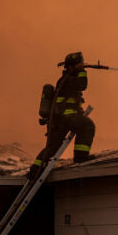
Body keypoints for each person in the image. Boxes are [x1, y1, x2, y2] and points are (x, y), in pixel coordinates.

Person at [28, 51, 96, 180]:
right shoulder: (67, 80)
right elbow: (82, 85)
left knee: (52, 147)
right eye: (78, 64)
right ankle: (81, 156)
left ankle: (35, 169)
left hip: (58, 120)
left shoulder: (65, 80)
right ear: (70, 66)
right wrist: (82, 71)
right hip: (66, 118)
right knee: (87, 125)